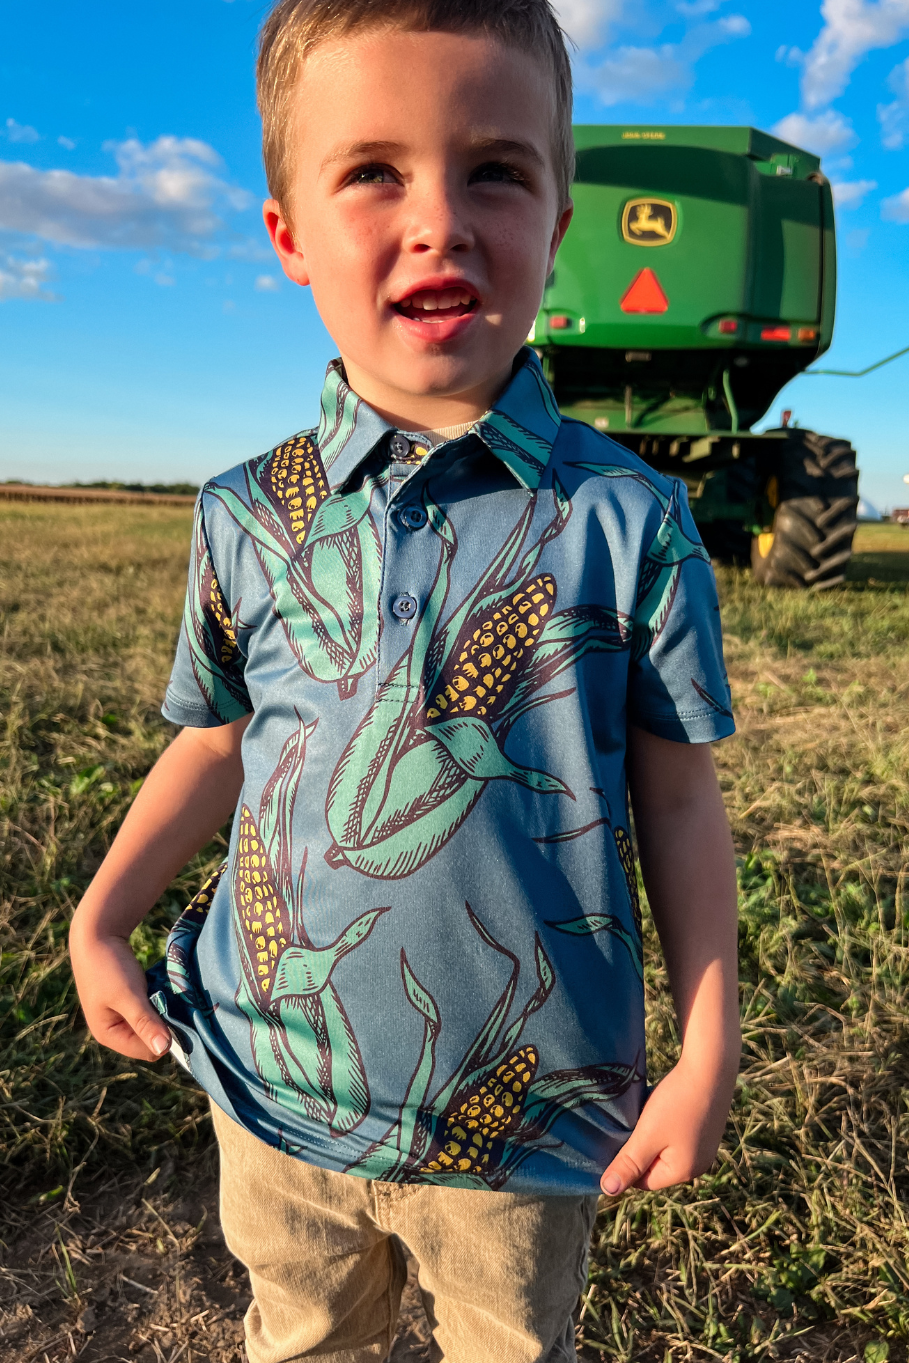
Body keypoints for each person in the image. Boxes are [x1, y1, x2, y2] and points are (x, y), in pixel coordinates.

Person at [69, 1, 741, 1358]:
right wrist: (101, 913)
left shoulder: (629, 522)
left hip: (528, 1117)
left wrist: (708, 1042)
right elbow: (215, 741)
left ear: (557, 225)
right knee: (302, 1337)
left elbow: (676, 803)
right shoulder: (247, 515)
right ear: (289, 237)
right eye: (374, 171)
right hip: (273, 1089)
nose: (439, 218)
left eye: (496, 167)